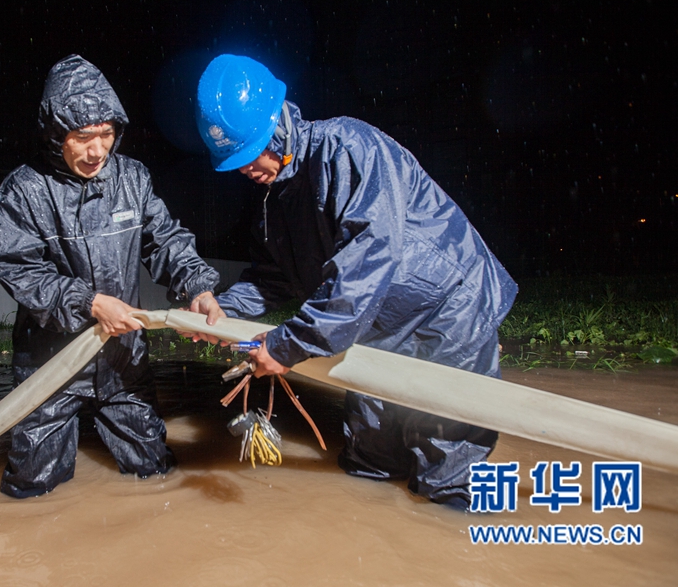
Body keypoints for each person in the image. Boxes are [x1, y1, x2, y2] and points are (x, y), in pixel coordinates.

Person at [195, 54, 518, 509]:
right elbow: (272, 279)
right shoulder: (276, 200)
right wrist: (223, 312)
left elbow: (367, 263)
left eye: (252, 152)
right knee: (369, 462)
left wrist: (286, 346)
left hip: (446, 313)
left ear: (279, 125)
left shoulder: (349, 148)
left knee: (446, 473)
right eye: (236, 162)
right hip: (375, 327)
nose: (247, 169)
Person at [0, 54, 224, 498]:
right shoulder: (23, 190)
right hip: (51, 365)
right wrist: (90, 303)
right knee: (31, 492)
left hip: (123, 362)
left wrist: (198, 287)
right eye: (82, 137)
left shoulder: (132, 179)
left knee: (157, 476)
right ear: (55, 134)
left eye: (106, 134)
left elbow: (165, 241)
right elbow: (19, 269)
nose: (97, 150)